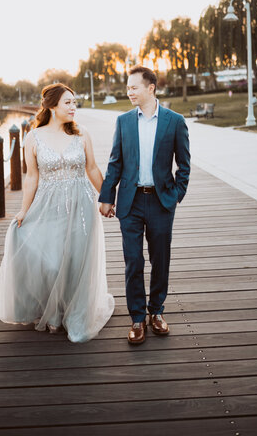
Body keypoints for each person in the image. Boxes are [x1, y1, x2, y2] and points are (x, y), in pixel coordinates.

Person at [0, 83, 114, 343]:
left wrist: (106, 198)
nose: (73, 107)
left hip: (81, 205)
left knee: (76, 261)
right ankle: (54, 312)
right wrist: (24, 211)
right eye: (68, 102)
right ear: (52, 106)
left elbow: (92, 169)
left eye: (74, 102)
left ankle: (76, 316)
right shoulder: (33, 138)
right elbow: (31, 177)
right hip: (48, 205)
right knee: (52, 261)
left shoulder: (81, 135)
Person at [99, 66, 190, 344]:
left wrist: (175, 196)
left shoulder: (175, 121)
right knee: (133, 261)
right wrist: (106, 196)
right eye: (128, 87)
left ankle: (157, 312)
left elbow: (184, 165)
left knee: (160, 259)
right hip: (131, 201)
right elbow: (115, 162)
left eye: (133, 87)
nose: (129, 92)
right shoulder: (124, 121)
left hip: (162, 201)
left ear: (151, 88)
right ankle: (137, 318)